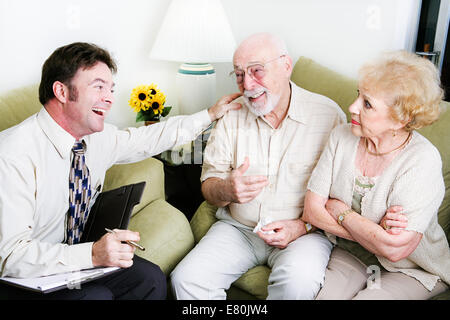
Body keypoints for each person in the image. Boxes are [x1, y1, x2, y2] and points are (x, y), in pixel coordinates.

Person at [0, 42, 241, 300]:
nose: (109, 98)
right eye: (98, 87)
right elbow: (11, 257)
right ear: (61, 91)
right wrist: (92, 254)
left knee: (149, 279)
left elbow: (150, 138)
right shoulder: (14, 153)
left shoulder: (96, 139)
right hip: (21, 277)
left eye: (111, 89)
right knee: (97, 297)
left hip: (73, 261)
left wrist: (209, 115)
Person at [170, 33, 346, 300]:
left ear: (286, 66)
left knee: (297, 284)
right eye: (239, 74)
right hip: (239, 229)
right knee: (187, 279)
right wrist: (227, 190)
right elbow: (209, 185)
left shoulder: (329, 116)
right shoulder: (231, 115)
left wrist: (303, 226)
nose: (247, 84)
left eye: (256, 71)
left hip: (304, 234)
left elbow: (342, 197)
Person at [303, 50, 450, 300]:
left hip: (411, 269)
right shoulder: (342, 136)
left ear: (400, 119)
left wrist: (341, 211)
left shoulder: (422, 160)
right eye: (357, 95)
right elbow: (312, 211)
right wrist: (374, 233)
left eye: (367, 103)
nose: (352, 107)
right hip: (351, 255)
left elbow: (395, 250)